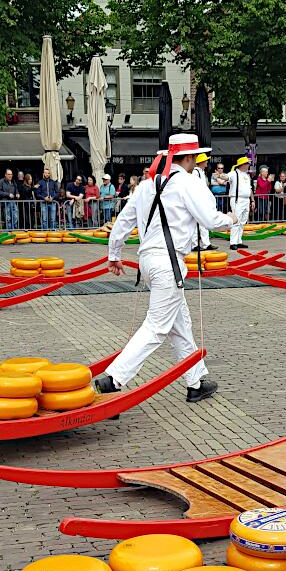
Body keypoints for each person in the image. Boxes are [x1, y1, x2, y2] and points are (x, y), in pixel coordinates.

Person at [96, 135, 235, 404]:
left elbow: (123, 221)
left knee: (180, 324)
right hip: (168, 264)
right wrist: (230, 219)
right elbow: (210, 219)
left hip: (149, 262)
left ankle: (195, 381)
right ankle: (114, 379)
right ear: (190, 158)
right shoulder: (187, 182)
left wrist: (114, 254)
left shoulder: (147, 185)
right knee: (157, 326)